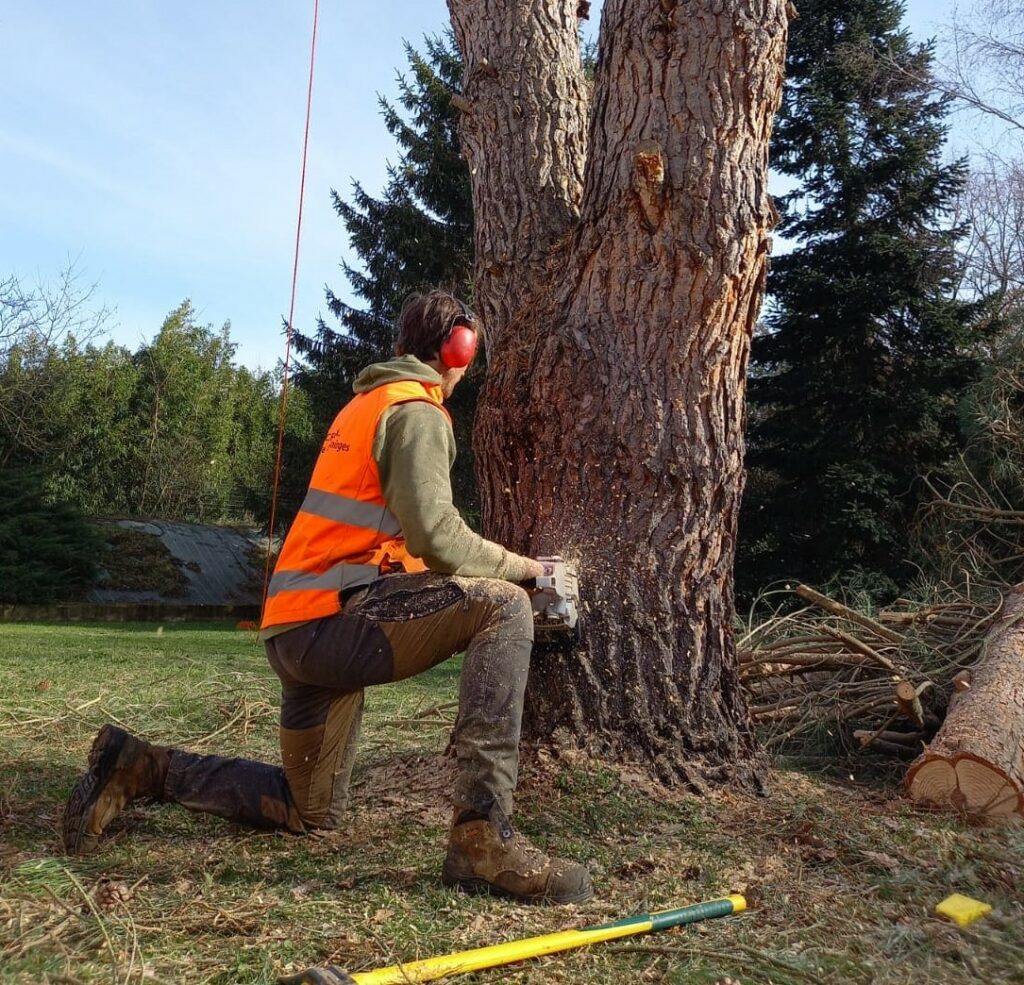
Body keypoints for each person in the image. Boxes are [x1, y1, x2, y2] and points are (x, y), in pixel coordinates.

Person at [62, 289, 593, 905]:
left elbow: (399, 543)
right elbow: (439, 537)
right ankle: (482, 840)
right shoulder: (415, 410)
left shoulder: (363, 406)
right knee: (502, 604)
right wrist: (528, 573)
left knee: (305, 808)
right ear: (458, 349)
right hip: (338, 622)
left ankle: (143, 767)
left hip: (296, 630)